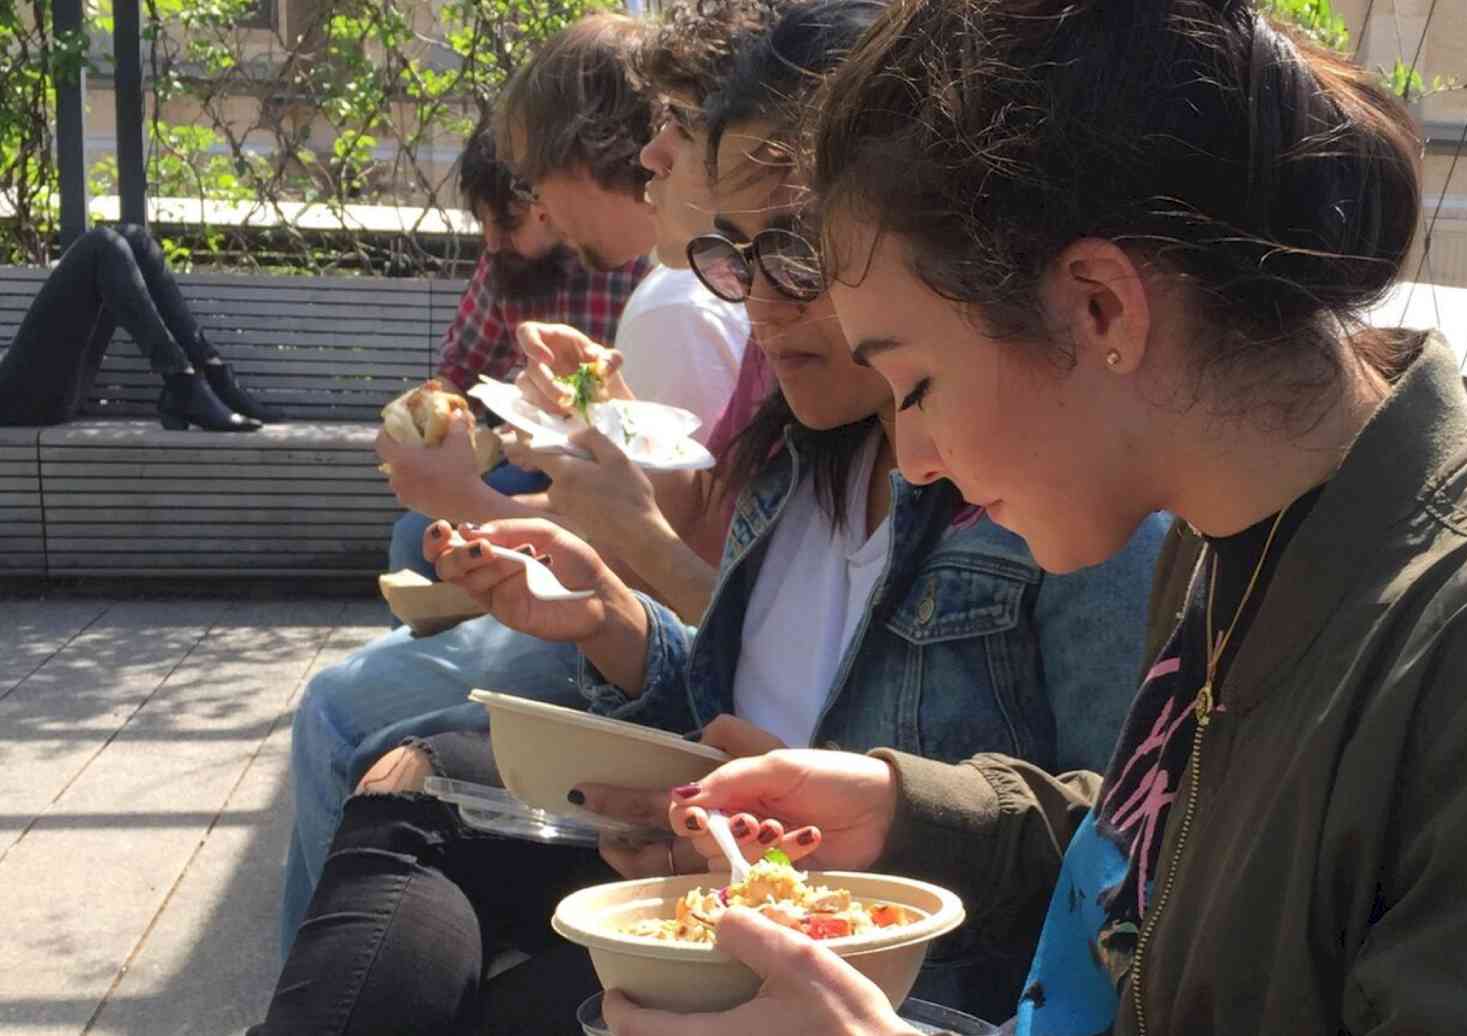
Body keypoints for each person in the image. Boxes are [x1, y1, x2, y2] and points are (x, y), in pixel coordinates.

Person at [611, 2, 1467, 1035]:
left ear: (1099, 304)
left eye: (913, 381)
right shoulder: (1243, 538)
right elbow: (1190, 848)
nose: (914, 460)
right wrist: (910, 814)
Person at [248, 4, 1169, 1031]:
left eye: (798, 252)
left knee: (375, 751)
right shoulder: (791, 457)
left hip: (881, 974)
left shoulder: (1063, 488)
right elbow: (743, 705)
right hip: (727, 879)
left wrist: (848, 824)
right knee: (407, 772)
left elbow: (1122, 861)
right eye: (732, 255)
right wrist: (614, 625)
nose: (758, 305)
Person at [273, 5, 765, 952]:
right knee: (412, 565)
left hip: (683, 678)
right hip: (671, 650)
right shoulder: (687, 294)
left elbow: (700, 578)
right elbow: (704, 514)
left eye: (676, 131)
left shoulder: (682, 297)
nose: (651, 156)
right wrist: (596, 404)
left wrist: (465, 498)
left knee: (343, 713)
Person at [380, 122, 653, 579]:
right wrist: (420, 425)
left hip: (621, 474)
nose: (491, 241)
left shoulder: (632, 264)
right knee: (414, 539)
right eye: (484, 222)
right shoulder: (504, 265)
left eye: (505, 222)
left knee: (422, 539)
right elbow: (458, 370)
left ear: (544, 202)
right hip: (523, 468)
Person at [0, 223, 278, 430]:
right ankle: (182, 381)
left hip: (32, 389)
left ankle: (211, 373)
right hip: (17, 403)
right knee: (101, 245)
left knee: (135, 239)